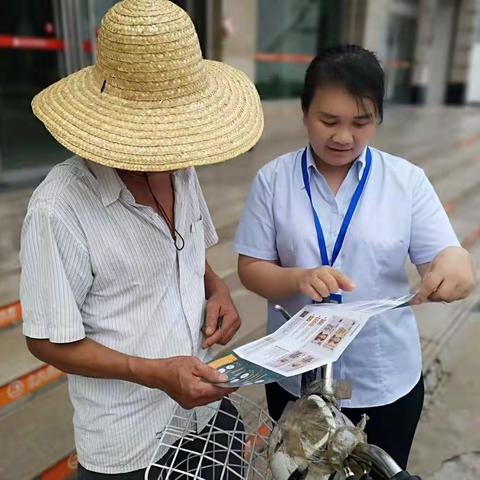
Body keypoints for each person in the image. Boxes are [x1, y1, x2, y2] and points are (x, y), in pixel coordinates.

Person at [20, 0, 263, 478]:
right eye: (160, 135)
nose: (174, 150)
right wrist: (150, 371)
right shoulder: (59, 209)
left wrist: (217, 289)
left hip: (208, 416)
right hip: (130, 442)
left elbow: (189, 248)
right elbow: (45, 340)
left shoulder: (180, 169)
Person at [234, 45, 475, 471]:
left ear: (377, 118)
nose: (343, 137)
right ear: (304, 112)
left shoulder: (406, 182)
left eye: (360, 122)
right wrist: (296, 279)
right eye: (329, 121)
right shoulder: (273, 181)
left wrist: (454, 264)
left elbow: (443, 253)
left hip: (382, 377)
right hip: (295, 376)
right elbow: (251, 269)